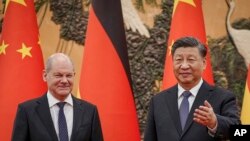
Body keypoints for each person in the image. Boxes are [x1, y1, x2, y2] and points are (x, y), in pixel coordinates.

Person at [144, 36, 240, 141]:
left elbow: (239, 133)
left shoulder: (223, 97)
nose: (184, 66)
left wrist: (215, 122)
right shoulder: (158, 101)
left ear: (204, 63)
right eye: (179, 60)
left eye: (191, 60)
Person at [12, 53, 103, 141]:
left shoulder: (90, 111)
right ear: (45, 75)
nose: (64, 80)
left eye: (69, 75)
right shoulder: (27, 111)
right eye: (58, 75)